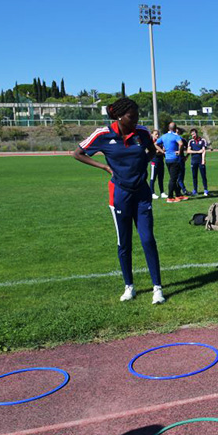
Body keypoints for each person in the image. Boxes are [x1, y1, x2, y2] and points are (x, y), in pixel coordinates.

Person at [72, 97, 165, 304]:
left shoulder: (141, 132)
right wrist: (104, 167)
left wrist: (142, 165)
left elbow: (151, 151)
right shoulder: (103, 134)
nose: (136, 120)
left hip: (141, 193)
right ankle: (129, 286)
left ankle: (157, 288)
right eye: (132, 117)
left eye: (137, 116)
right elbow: (77, 153)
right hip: (119, 195)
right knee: (124, 242)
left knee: (148, 239)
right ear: (120, 116)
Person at [157, 122, 187, 203]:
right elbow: (181, 144)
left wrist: (162, 152)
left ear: (168, 128)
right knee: (173, 179)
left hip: (167, 159)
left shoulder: (164, 136)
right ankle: (170, 197)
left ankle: (178, 195)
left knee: (173, 177)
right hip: (174, 159)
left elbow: (155, 144)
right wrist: (179, 152)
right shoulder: (176, 136)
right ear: (175, 128)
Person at [187, 128, 208, 196]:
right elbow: (188, 151)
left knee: (203, 175)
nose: (193, 135)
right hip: (193, 161)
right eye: (192, 134)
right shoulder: (190, 141)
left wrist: (203, 159)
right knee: (194, 176)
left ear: (196, 133)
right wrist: (197, 151)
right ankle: (195, 190)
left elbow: (203, 150)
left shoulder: (202, 140)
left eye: (194, 134)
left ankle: (205, 189)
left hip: (200, 161)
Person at [148, 129, 167, 199]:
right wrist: (160, 151)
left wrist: (160, 151)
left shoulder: (160, 142)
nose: (157, 135)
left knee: (161, 178)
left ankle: (162, 192)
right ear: (152, 134)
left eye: (158, 134)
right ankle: (152, 193)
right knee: (153, 177)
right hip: (154, 161)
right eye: (156, 134)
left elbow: (163, 150)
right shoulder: (151, 143)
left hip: (161, 161)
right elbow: (153, 152)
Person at [175, 126, 191, 196]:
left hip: (181, 159)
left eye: (178, 132)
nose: (177, 133)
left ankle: (179, 192)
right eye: (176, 131)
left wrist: (186, 156)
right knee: (176, 177)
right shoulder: (172, 140)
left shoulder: (182, 140)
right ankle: (183, 190)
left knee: (181, 176)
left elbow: (189, 148)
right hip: (174, 160)